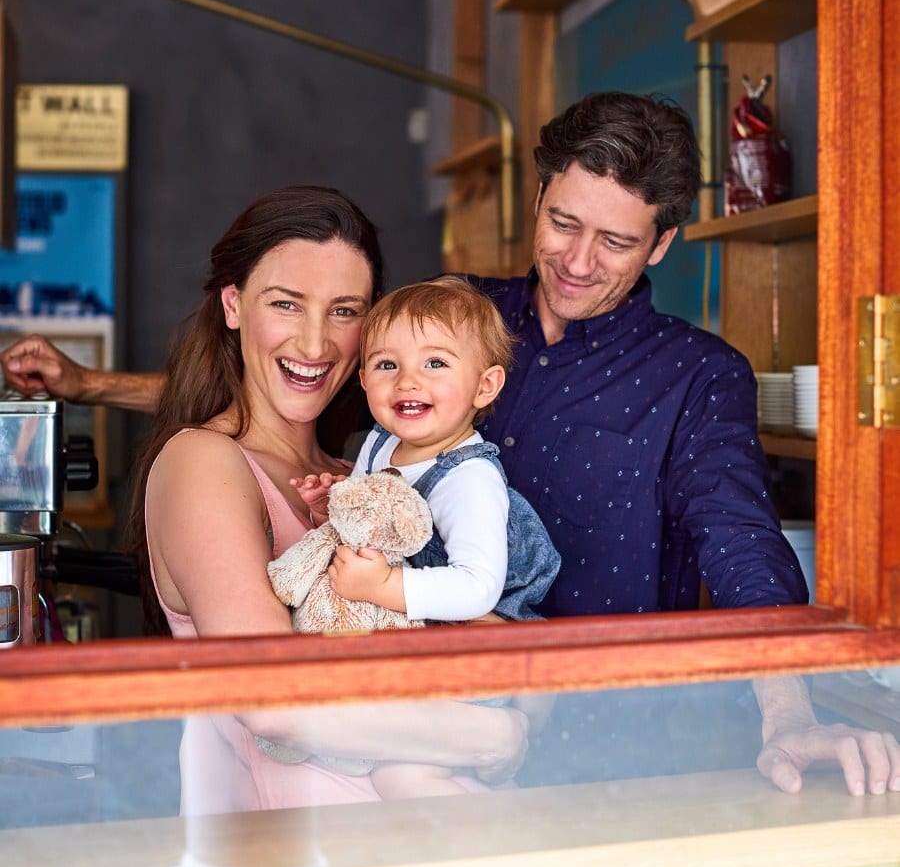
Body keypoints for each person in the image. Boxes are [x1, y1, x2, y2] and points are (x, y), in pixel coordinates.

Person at [4, 93, 899, 799]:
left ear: (663, 241)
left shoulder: (700, 376)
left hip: (616, 748)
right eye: (563, 224)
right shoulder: (458, 311)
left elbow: (744, 548)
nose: (579, 261)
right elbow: (301, 385)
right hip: (424, 735)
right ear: (537, 196)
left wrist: (789, 713)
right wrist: (92, 388)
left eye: (616, 241)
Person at [73, 186, 529, 814]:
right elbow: (274, 702)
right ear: (233, 304)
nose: (316, 344)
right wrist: (499, 734)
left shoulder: (356, 483)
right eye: (286, 304)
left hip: (411, 859)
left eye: (345, 311)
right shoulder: (204, 462)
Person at [292, 275, 560, 799]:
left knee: (405, 776)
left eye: (435, 364)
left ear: (485, 386)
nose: (408, 381)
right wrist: (335, 509)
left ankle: (500, 854)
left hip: (479, 653)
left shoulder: (469, 477)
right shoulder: (378, 443)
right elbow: (380, 522)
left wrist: (382, 587)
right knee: (395, 768)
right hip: (421, 645)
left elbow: (478, 587)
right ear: (364, 378)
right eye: (388, 365)